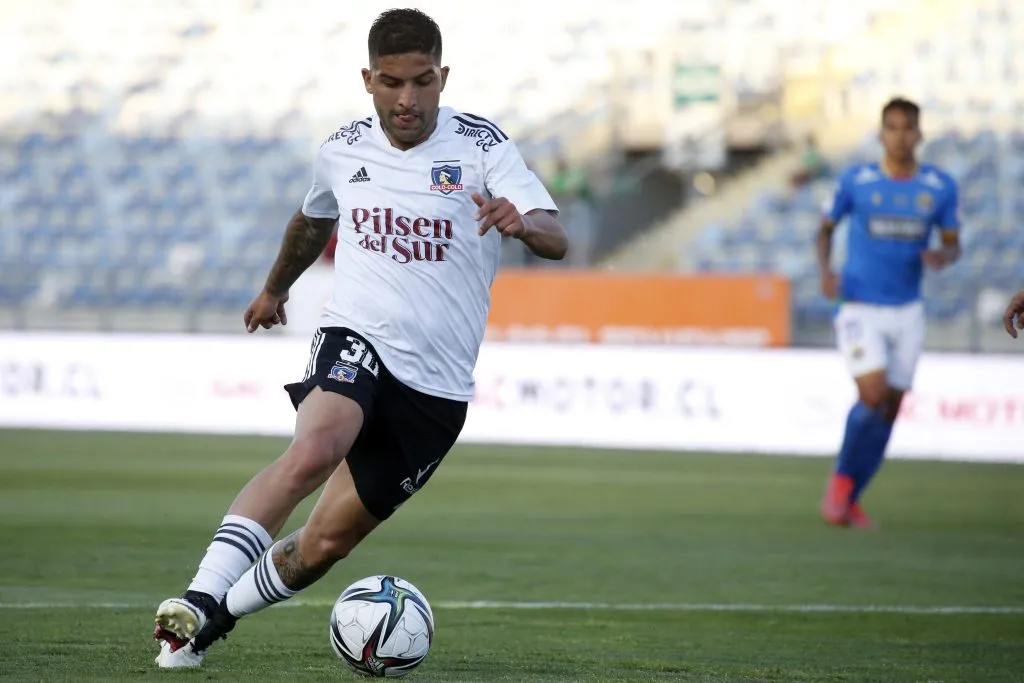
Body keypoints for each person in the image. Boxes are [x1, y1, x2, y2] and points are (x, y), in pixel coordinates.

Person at [152, 8, 566, 668]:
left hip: (435, 386)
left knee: (324, 543)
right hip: (358, 336)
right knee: (316, 447)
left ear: (443, 76)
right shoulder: (341, 148)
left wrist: (522, 223)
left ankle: (211, 623)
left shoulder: (484, 146)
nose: (409, 99)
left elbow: (556, 234)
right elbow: (313, 219)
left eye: (424, 82)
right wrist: (275, 287)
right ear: (369, 79)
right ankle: (198, 596)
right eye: (394, 83)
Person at [816, 97, 960, 529]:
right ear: (881, 134)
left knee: (891, 408)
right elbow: (824, 229)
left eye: (907, 128)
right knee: (873, 394)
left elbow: (955, 242)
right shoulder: (855, 181)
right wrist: (825, 271)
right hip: (860, 304)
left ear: (919, 134)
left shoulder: (939, 187)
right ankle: (840, 484)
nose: (900, 136)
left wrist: (943, 255)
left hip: (908, 310)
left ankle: (851, 498)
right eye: (892, 128)